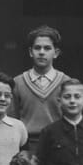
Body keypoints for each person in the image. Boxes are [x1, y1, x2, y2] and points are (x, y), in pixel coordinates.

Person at [10, 25, 70, 155]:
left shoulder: (66, 83)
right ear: (30, 52)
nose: (42, 52)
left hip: (58, 146)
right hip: (26, 148)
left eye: (47, 48)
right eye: (37, 48)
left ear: (56, 53)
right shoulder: (17, 83)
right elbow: (12, 120)